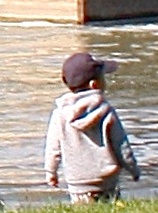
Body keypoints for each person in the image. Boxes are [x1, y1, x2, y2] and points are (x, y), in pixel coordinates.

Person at [44, 49, 142, 204]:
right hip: (107, 180)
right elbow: (121, 145)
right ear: (94, 84)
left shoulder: (60, 114)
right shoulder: (106, 111)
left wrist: (51, 172)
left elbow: (53, 148)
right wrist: (133, 169)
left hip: (77, 182)